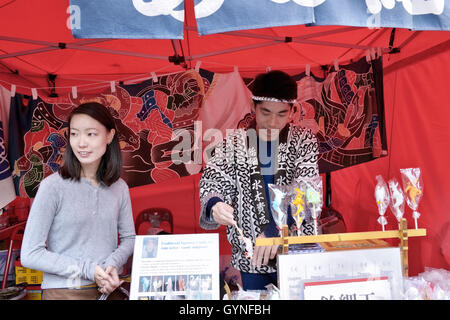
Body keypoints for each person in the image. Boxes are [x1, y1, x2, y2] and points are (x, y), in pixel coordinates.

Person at [199, 70, 320, 290]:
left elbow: (308, 190)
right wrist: (214, 204)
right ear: (253, 107)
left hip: (297, 250)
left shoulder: (304, 141)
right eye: (266, 112)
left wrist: (276, 231)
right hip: (252, 257)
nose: (273, 122)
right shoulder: (233, 145)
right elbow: (213, 180)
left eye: (282, 114)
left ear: (293, 111)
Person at [20, 102, 136, 300]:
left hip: (107, 291)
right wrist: (89, 269)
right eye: (74, 134)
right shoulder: (52, 187)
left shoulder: (119, 188)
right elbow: (30, 253)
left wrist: (111, 265)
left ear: (109, 136)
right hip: (64, 292)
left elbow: (129, 238)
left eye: (91, 134)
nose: (81, 143)